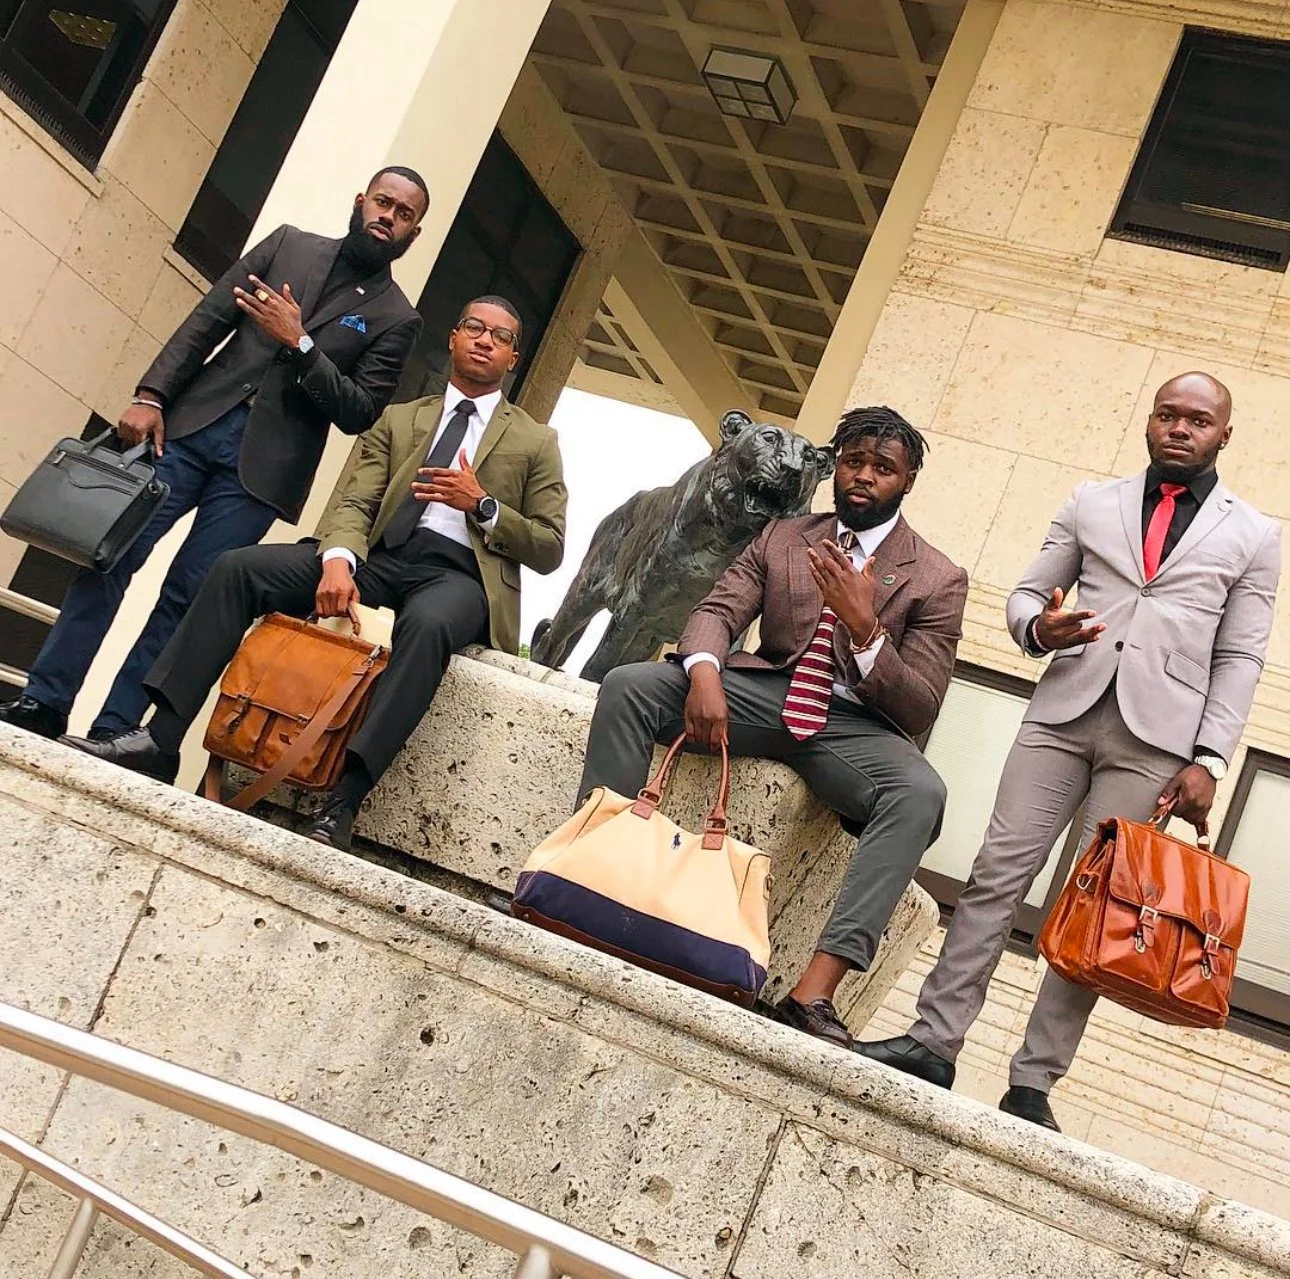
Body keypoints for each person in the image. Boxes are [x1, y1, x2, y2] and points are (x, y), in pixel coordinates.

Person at [856, 372, 1281, 1132]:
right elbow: (1026, 596)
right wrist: (1035, 630)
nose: (1180, 429)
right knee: (994, 876)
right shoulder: (1092, 501)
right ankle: (933, 1041)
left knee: (1097, 912)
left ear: (1224, 434)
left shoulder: (1254, 533)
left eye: (1198, 420)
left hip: (1158, 742)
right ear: (1149, 422)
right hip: (1062, 714)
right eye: (1168, 415)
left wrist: (1210, 759)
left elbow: (1241, 655)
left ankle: (1031, 1084)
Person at [62, 297, 567, 854]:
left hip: (457, 576)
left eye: (499, 336)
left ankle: (344, 800)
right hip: (379, 556)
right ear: (453, 337)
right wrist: (338, 560)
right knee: (239, 569)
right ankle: (161, 738)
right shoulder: (400, 418)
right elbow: (354, 500)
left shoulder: (536, 442)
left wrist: (485, 506)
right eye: (474, 326)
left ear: (513, 357)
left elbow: (549, 546)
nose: (484, 339)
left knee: (426, 628)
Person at [577, 406, 969, 1048]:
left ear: (909, 480)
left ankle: (814, 992)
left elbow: (920, 704)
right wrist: (703, 674)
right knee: (629, 688)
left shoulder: (937, 578)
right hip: (762, 692)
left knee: (921, 795)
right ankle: (592, 882)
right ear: (836, 466)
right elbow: (717, 609)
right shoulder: (785, 535)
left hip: (850, 722)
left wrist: (866, 628)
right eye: (852, 462)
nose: (863, 477)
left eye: (882, 468)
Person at [0, 168, 429, 742]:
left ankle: (115, 730)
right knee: (108, 560)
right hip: (186, 430)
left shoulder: (395, 317)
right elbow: (209, 319)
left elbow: (358, 411)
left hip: (261, 472)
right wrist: (151, 395)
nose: (388, 218)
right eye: (383, 203)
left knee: (187, 595)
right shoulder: (288, 245)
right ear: (361, 201)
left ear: (414, 233)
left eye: (404, 215)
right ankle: (45, 701)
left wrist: (300, 343)